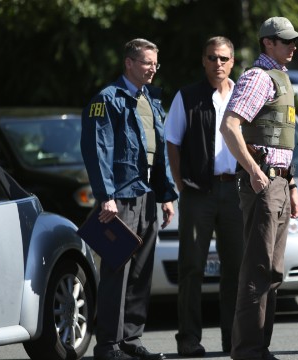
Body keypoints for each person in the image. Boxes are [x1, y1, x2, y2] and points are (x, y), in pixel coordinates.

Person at [80, 38, 177, 360]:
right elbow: (98, 151)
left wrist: (165, 195)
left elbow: (158, 153)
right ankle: (108, 345)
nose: (152, 69)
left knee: (140, 274)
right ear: (129, 63)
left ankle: (131, 340)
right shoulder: (107, 99)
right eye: (147, 63)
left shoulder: (149, 99)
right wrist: (106, 196)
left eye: (155, 64)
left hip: (147, 195)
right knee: (117, 272)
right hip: (120, 198)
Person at [219, 16, 298, 360]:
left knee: (273, 271)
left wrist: (293, 185)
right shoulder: (258, 77)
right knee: (257, 269)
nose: (293, 46)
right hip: (263, 183)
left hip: (280, 183)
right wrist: (253, 170)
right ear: (268, 43)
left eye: (294, 41)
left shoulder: (281, 79)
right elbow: (230, 125)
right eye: (286, 41)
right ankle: (249, 350)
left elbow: (282, 140)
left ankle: (259, 348)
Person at [165, 36, 243, 357]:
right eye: (212, 58)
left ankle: (233, 340)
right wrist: (181, 185)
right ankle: (188, 340)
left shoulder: (243, 96)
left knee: (235, 270)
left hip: (235, 191)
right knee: (191, 268)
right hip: (198, 192)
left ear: (232, 61)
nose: (218, 64)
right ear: (203, 61)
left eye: (223, 58)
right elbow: (172, 141)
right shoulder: (187, 96)